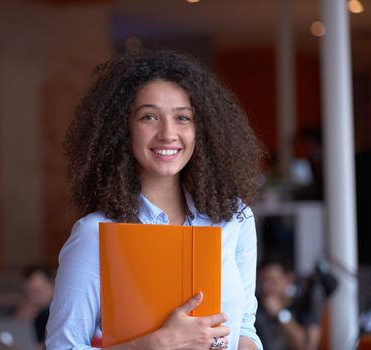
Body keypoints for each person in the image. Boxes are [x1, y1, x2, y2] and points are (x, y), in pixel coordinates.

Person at [45, 49, 264, 350]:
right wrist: (157, 343)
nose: (168, 133)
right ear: (123, 128)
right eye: (149, 117)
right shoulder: (95, 233)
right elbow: (62, 347)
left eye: (183, 118)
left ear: (203, 130)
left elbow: (244, 330)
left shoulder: (233, 217)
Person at [255, 258, 322, 350]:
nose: (267, 287)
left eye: (273, 281)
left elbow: (304, 346)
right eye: (264, 281)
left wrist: (280, 313)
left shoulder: (299, 303)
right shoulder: (254, 306)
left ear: (288, 279)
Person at [14, 265, 55, 347]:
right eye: (28, 291)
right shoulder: (21, 310)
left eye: (37, 291)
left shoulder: (60, 313)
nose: (32, 296)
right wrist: (18, 322)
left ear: (52, 285)